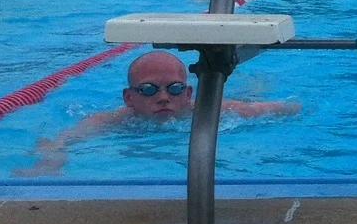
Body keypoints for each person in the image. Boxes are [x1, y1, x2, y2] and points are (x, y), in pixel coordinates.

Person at [15, 51, 299, 176]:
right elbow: (60, 140)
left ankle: (251, 81)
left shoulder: (211, 111)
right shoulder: (113, 120)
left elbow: (284, 109)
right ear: (129, 98)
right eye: (149, 90)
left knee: (249, 93)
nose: (163, 97)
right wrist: (50, 160)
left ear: (188, 95)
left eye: (174, 89)